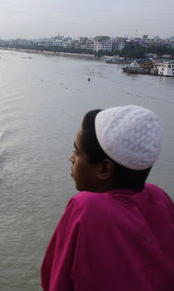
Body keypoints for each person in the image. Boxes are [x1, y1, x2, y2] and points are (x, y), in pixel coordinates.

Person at [41, 105, 174, 291]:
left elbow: (55, 282)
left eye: (77, 152)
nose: (71, 158)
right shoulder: (160, 197)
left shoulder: (85, 209)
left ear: (104, 169)